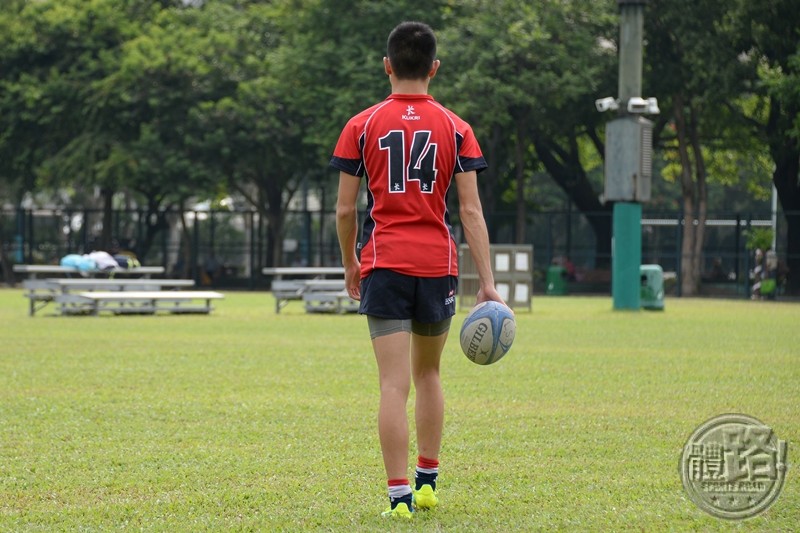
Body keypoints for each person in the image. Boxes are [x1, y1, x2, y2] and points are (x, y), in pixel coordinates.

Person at [330, 21, 508, 519]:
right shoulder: (457, 128)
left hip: (384, 262)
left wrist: (351, 263)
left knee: (392, 384)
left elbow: (345, 212)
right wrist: (488, 283)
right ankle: (428, 480)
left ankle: (398, 496)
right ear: (434, 68)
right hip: (437, 264)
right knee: (429, 372)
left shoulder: (360, 125)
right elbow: (471, 212)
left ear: (387, 65)